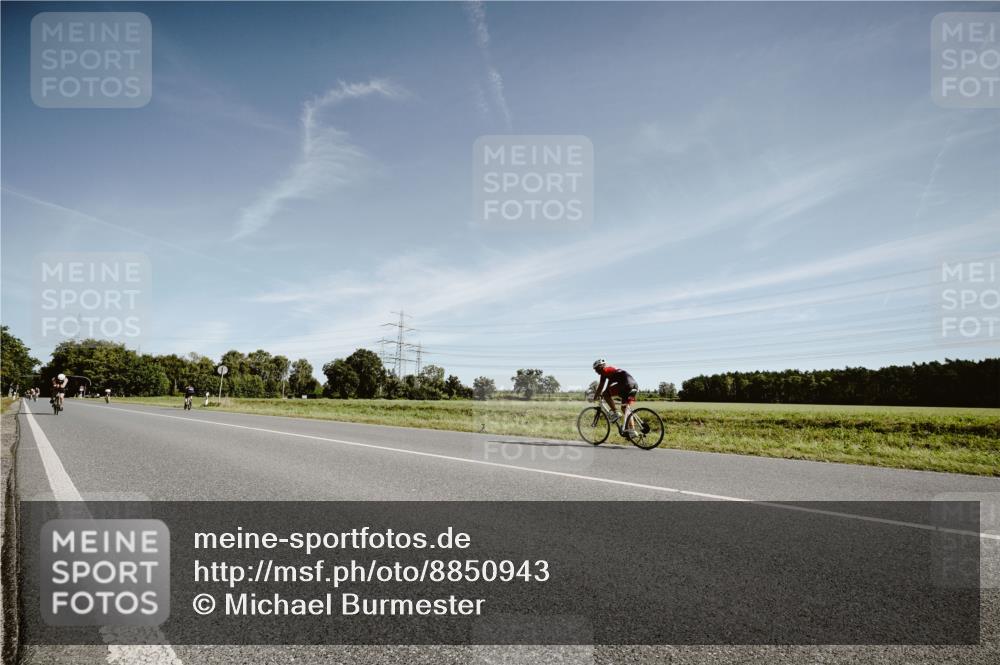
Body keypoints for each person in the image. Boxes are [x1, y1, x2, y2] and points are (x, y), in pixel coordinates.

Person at [592, 359, 639, 437]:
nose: (596, 372)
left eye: (596, 369)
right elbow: (609, 385)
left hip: (625, 385)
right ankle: (632, 430)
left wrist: (595, 397)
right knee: (625, 409)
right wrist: (604, 393)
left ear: (601, 367)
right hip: (633, 385)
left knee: (606, 394)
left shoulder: (604, 370)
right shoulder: (610, 370)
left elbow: (601, 386)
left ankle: (615, 412)